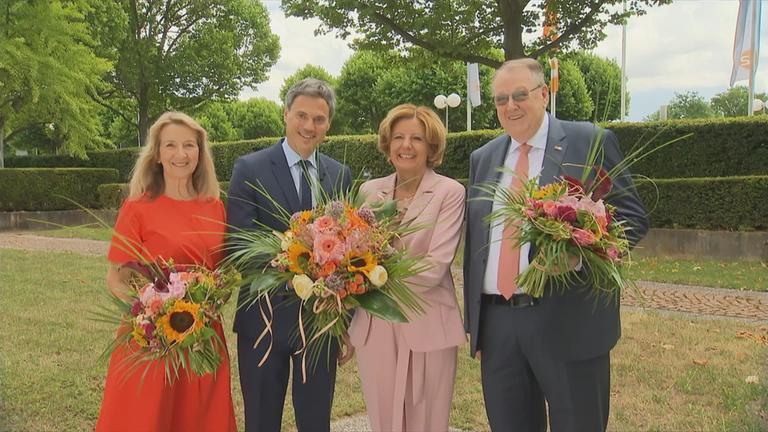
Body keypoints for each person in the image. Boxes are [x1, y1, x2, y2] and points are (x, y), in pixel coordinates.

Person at [463, 58, 649, 432]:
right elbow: (476, 244)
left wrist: (578, 254)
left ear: (544, 94)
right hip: (499, 326)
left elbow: (632, 216)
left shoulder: (589, 141)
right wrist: (477, 324)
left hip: (569, 321)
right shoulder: (483, 158)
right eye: (501, 99)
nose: (510, 106)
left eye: (520, 95)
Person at [96, 112, 236, 432]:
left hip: (202, 336)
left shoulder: (215, 206)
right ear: (157, 155)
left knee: (199, 419)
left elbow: (223, 274)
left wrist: (212, 301)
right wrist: (152, 314)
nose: (180, 154)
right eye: (170, 145)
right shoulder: (137, 207)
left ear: (200, 153)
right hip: (149, 339)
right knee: (146, 419)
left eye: (189, 145)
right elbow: (116, 278)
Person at [227, 78, 353, 432]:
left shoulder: (340, 174)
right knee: (261, 422)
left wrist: (343, 322)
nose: (309, 126)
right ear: (285, 115)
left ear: (328, 124)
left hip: (320, 323)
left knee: (316, 423)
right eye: (302, 115)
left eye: (319, 119)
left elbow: (349, 250)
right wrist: (296, 270)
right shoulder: (249, 169)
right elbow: (239, 245)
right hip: (262, 320)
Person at [348, 104, 466, 432]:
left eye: (417, 138)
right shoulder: (369, 192)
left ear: (431, 147)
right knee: (383, 420)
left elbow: (435, 267)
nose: (406, 145)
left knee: (427, 421)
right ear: (387, 144)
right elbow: (354, 259)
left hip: (429, 323)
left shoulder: (450, 193)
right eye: (398, 137)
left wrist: (378, 259)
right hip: (376, 326)